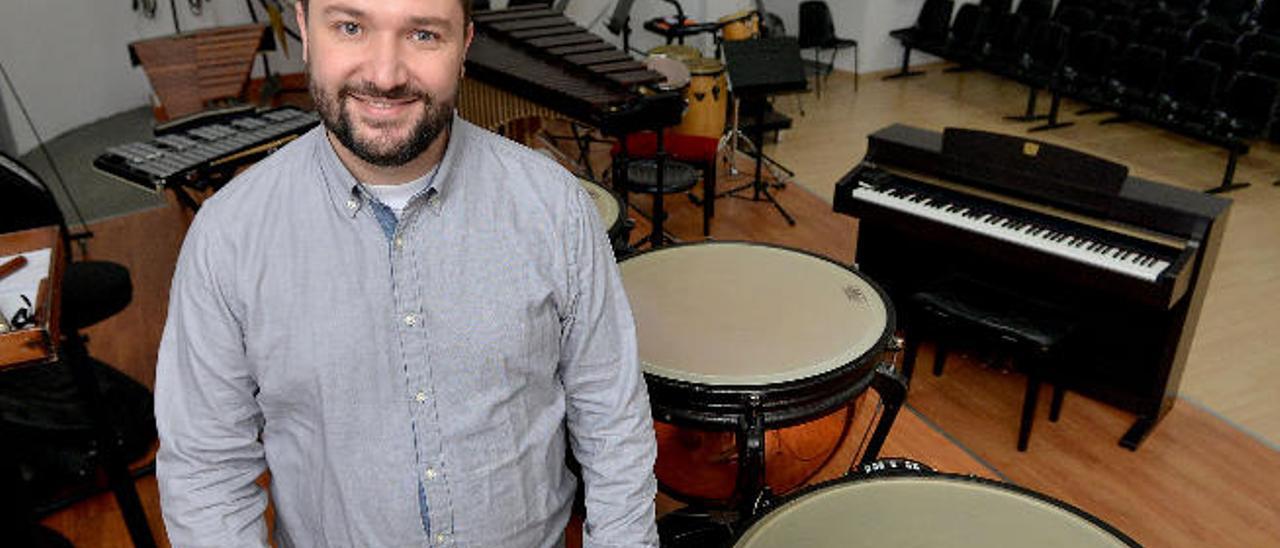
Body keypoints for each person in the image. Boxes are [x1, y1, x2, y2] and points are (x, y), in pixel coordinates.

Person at [153, 0, 659, 545]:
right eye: (350, 27)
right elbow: (207, 473)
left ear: (465, 45)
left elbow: (613, 425)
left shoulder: (556, 208)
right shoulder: (228, 235)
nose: (385, 75)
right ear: (304, 28)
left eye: (423, 35)